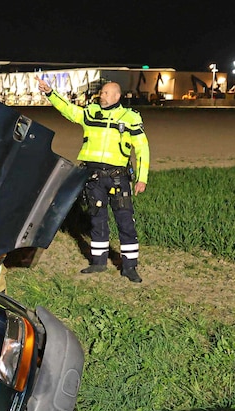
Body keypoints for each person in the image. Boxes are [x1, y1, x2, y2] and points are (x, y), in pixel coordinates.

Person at [38, 78, 150, 283]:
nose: (102, 96)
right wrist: (50, 93)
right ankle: (98, 262)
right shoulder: (91, 113)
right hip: (93, 177)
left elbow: (142, 148)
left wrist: (142, 178)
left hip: (118, 178)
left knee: (125, 221)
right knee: (97, 219)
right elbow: (69, 110)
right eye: (102, 93)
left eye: (106, 93)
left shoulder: (130, 117)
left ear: (117, 96)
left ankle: (130, 266)